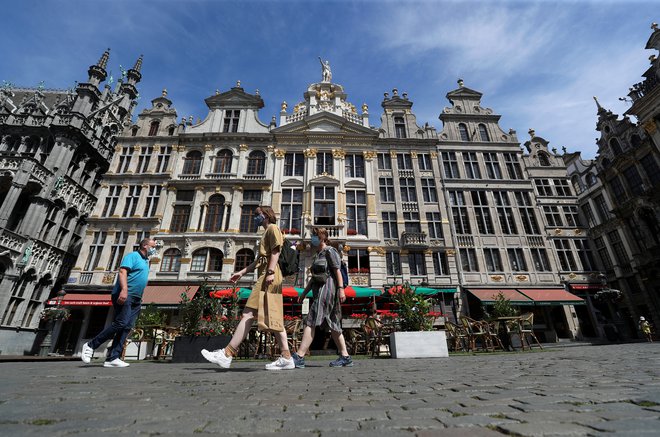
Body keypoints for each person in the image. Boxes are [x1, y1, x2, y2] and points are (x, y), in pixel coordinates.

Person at [202, 206, 294, 370]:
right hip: (267, 273)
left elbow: (275, 252)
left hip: (269, 274)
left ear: (265, 215)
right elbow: (259, 260)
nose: (255, 217)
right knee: (273, 315)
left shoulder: (272, 228)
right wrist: (242, 272)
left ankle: (227, 353)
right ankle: (286, 357)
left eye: (257, 214)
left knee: (248, 313)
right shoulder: (266, 232)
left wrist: (270, 272)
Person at [81, 238, 157, 367]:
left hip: (136, 298)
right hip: (125, 294)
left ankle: (113, 358)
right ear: (145, 246)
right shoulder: (132, 256)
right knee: (121, 322)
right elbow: (122, 272)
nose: (155, 248)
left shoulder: (145, 260)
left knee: (127, 326)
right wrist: (124, 290)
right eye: (153, 246)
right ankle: (90, 345)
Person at [292, 227, 352, 368]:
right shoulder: (318, 255)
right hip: (320, 290)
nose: (312, 238)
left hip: (328, 289)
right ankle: (345, 356)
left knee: (311, 319)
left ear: (322, 237)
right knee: (333, 322)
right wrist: (304, 293)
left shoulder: (330, 251)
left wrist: (341, 289)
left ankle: (299, 356)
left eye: (315, 236)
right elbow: (314, 278)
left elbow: (337, 271)